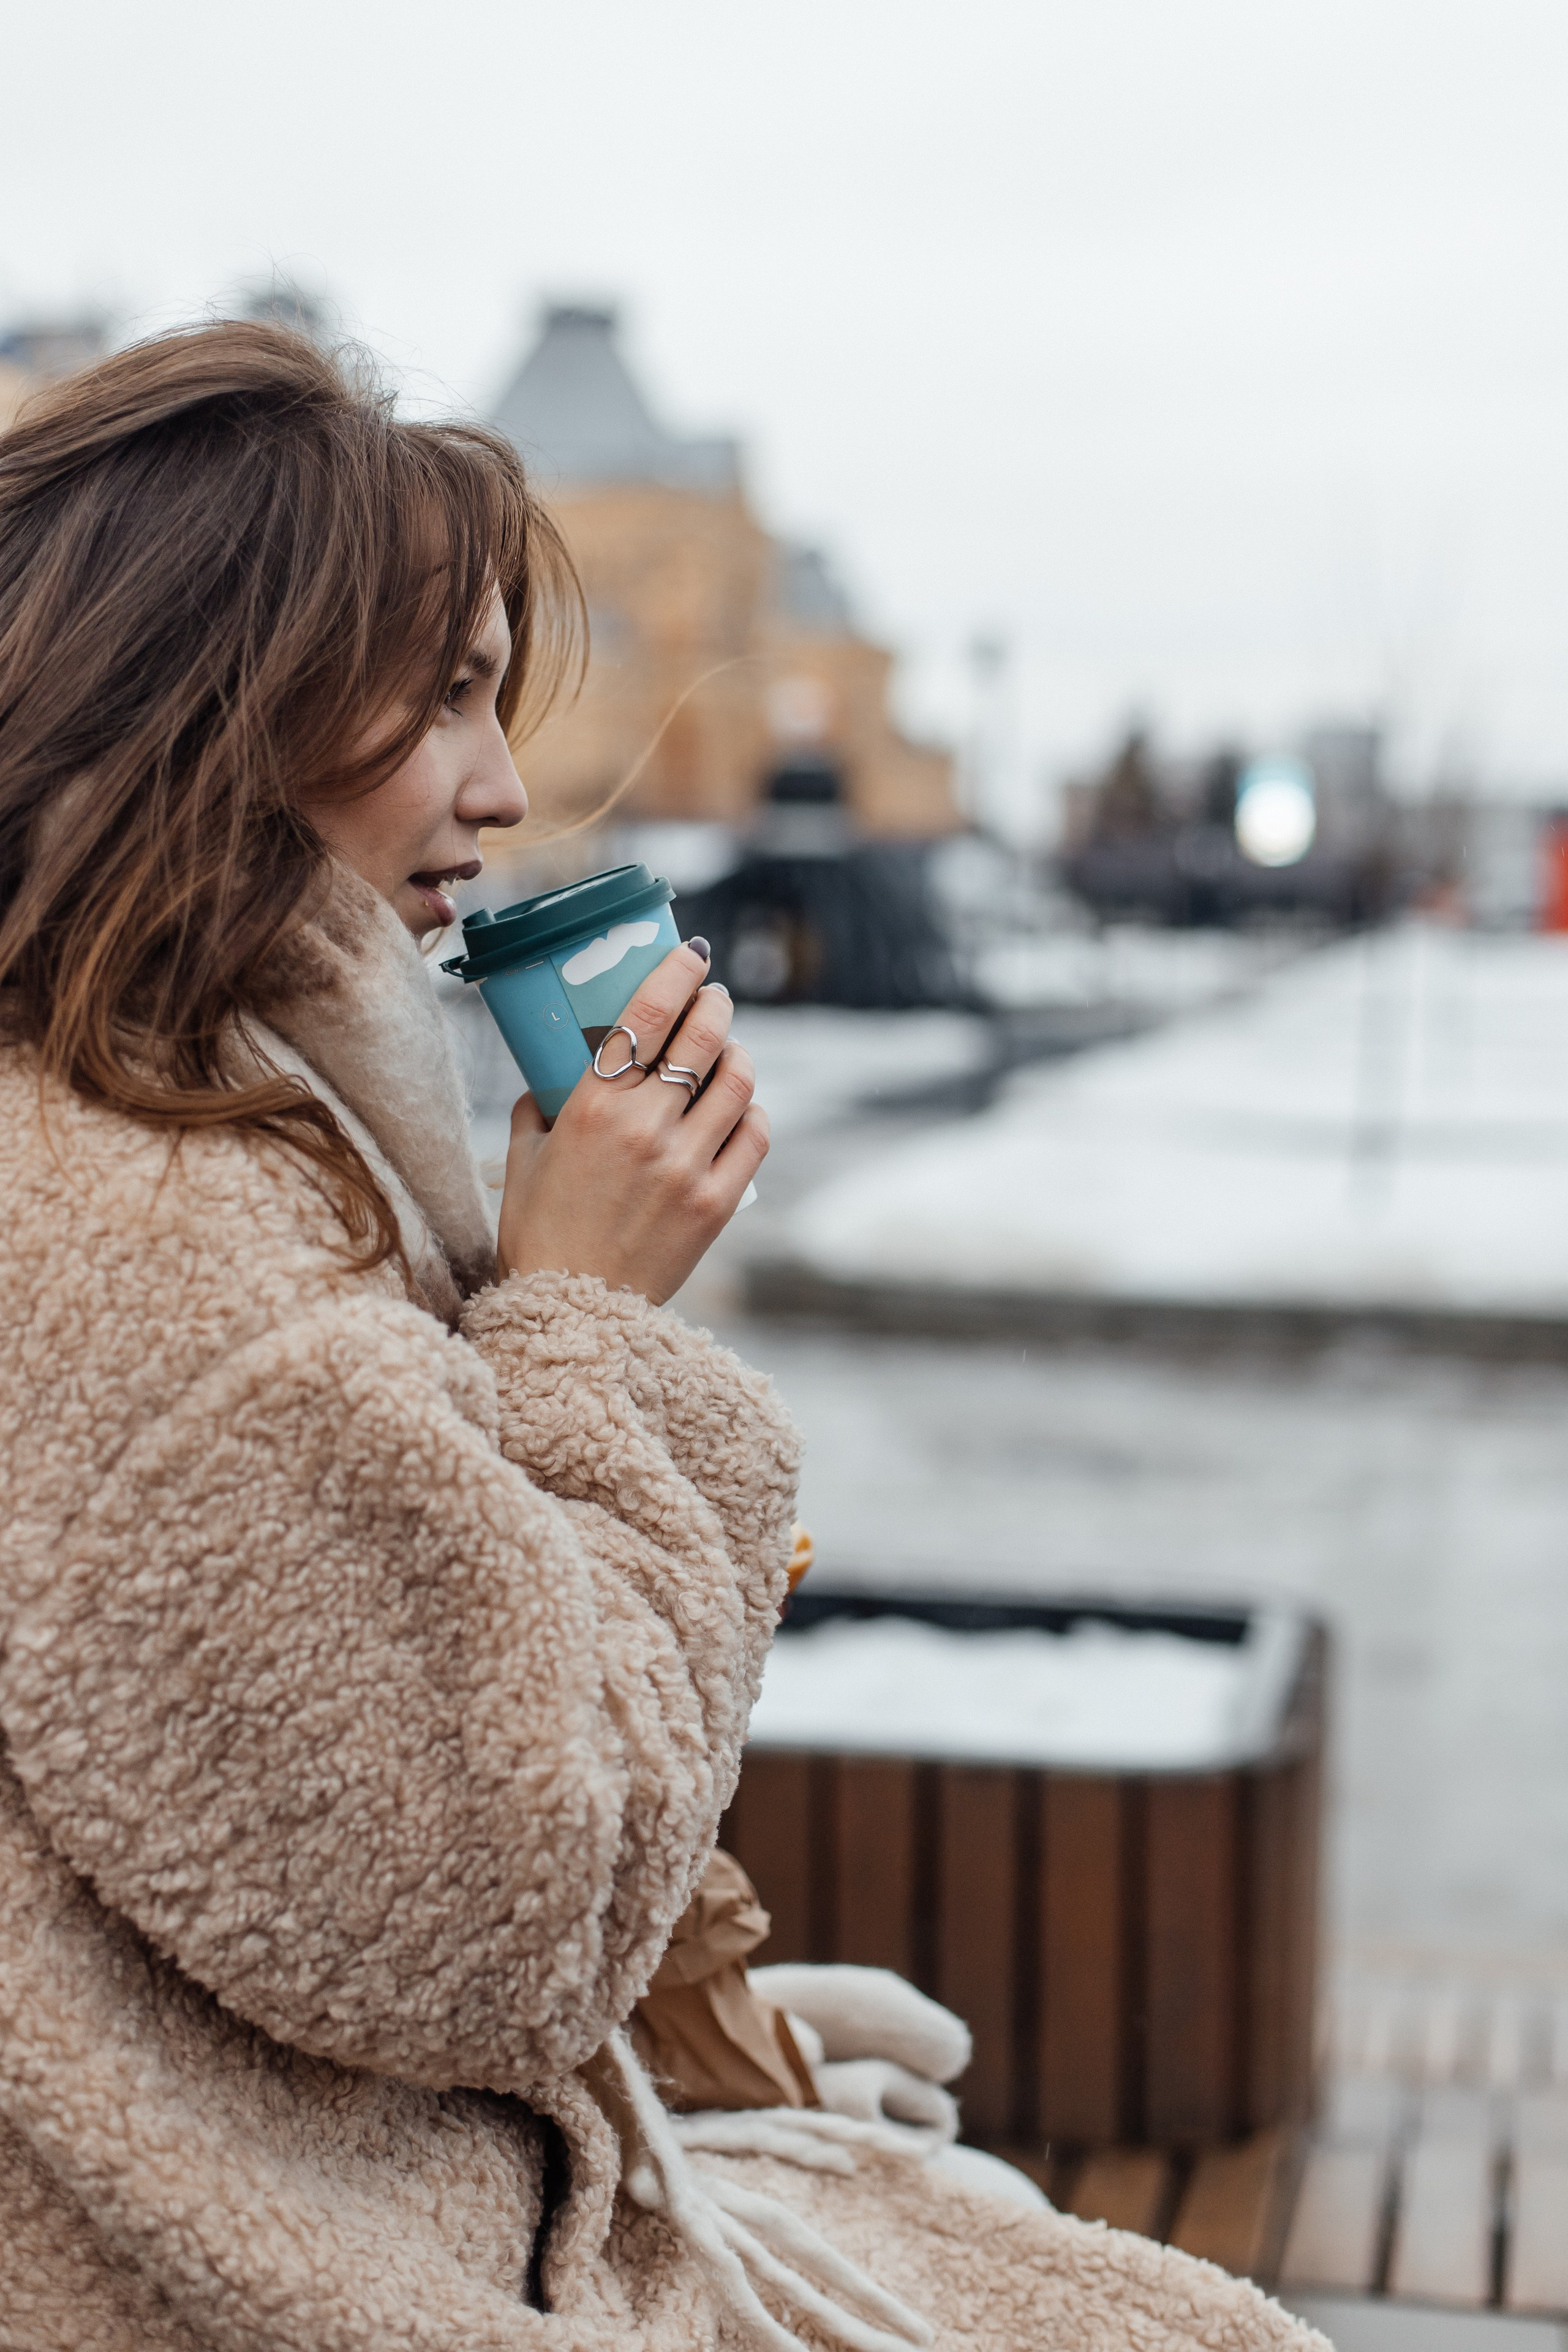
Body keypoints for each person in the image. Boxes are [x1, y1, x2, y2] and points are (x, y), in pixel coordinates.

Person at [0, 323, 1324, 2351]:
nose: (507, 784)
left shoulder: (157, 1129)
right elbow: (497, 1915)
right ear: (219, 697)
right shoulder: (168, 1259)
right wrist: (587, 1324)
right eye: (446, 695)